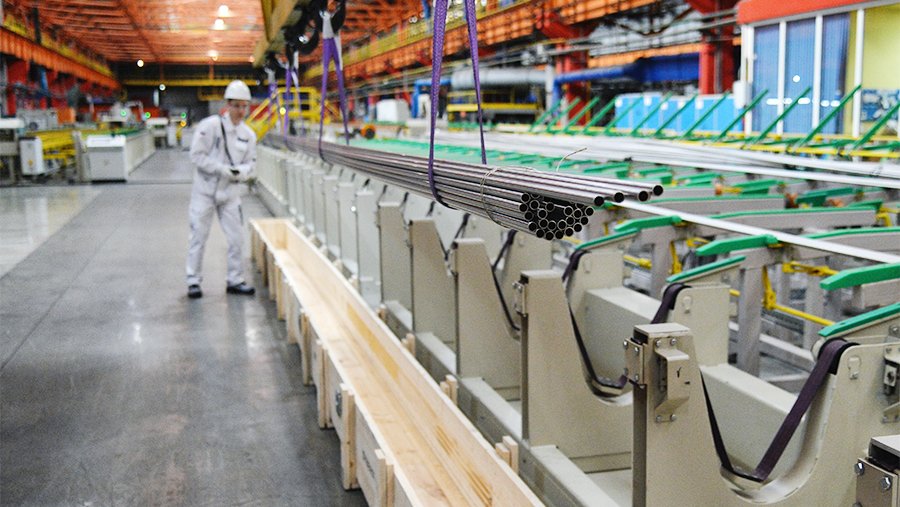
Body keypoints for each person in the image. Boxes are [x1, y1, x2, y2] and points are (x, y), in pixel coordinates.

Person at [185, 80, 258, 299]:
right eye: (236, 106)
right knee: (198, 237)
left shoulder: (248, 135)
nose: (241, 111)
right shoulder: (210, 127)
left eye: (244, 106)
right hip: (205, 192)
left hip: (230, 194)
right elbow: (196, 156)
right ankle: (193, 281)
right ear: (227, 105)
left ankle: (235, 280)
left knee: (236, 239)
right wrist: (220, 169)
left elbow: (251, 163)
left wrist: (240, 172)